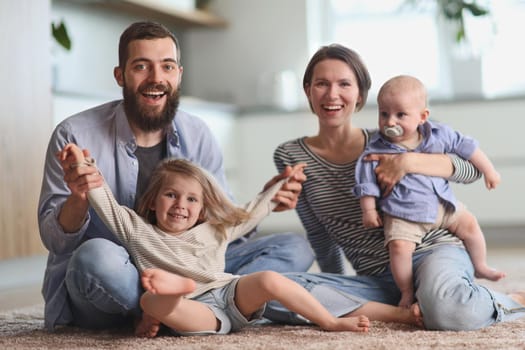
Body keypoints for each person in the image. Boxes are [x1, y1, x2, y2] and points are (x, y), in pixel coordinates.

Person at [37, 21, 314, 331]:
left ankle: (176, 312)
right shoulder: (74, 134)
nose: (156, 79)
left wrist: (266, 200)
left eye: (167, 67)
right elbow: (54, 240)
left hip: (189, 272)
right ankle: (187, 313)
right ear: (120, 75)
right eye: (141, 66)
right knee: (96, 258)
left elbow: (221, 228)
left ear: (179, 74)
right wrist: (78, 198)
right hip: (117, 277)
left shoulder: (197, 133)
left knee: (294, 248)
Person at [267, 44, 525, 331]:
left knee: (448, 311)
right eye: (321, 84)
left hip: (431, 253)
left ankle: (508, 300)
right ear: (307, 90)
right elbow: (318, 231)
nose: (332, 94)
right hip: (375, 278)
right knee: (272, 293)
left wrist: (409, 161)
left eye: (344, 84)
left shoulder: (393, 135)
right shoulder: (290, 155)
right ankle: (401, 311)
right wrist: (336, 290)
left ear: (360, 94)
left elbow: (472, 169)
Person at [58, 143, 377, 336]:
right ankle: (176, 289)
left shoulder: (215, 228)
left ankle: (330, 322)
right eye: (171, 195)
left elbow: (253, 210)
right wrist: (81, 164)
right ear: (153, 201)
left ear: (201, 211)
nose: (181, 205)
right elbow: (103, 199)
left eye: (192, 200)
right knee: (150, 302)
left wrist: (284, 182)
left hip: (229, 292)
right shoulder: (137, 228)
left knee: (269, 279)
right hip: (193, 308)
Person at [353, 75, 505, 308]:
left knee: (470, 225)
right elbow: (366, 182)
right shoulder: (376, 148)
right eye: (384, 114)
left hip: (443, 205)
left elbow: (469, 148)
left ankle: (481, 265)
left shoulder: (438, 134)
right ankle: (406, 291)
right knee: (399, 249)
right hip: (403, 213)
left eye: (400, 115)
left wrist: (489, 171)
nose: (390, 121)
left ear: (422, 116)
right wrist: (369, 209)